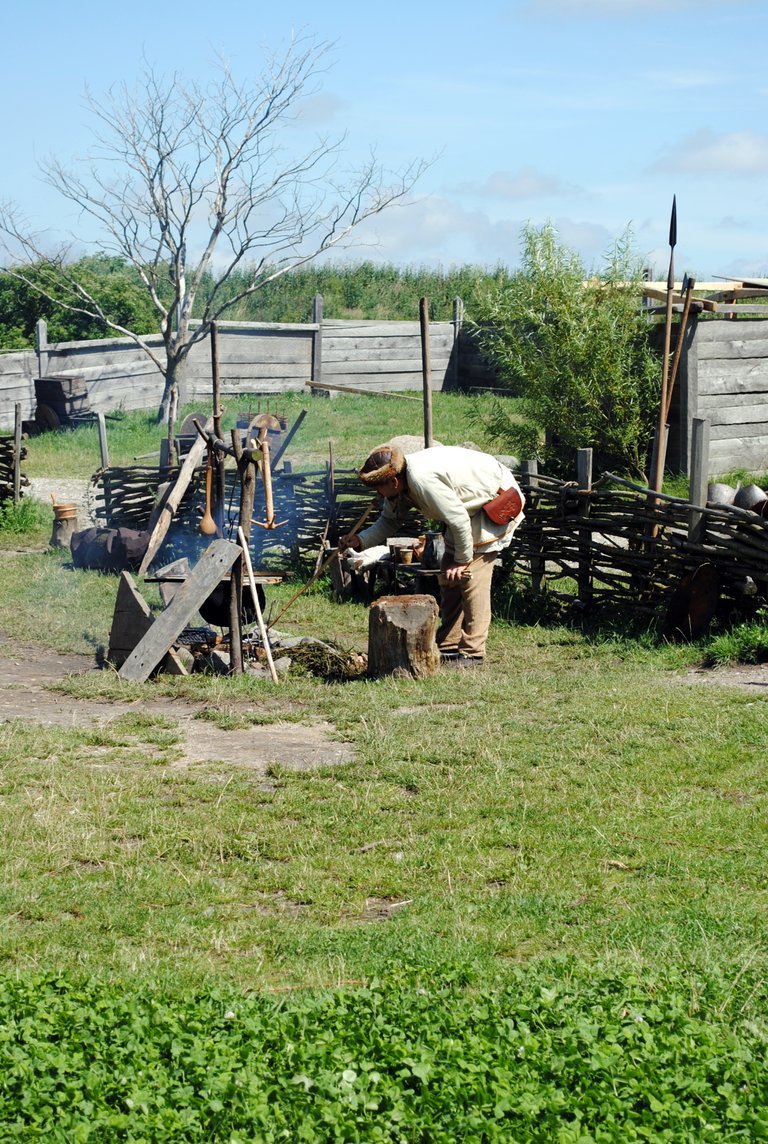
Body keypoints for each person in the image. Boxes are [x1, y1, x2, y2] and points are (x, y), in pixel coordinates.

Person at [340, 444, 525, 667]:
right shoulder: (398, 482)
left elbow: (458, 520)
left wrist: (462, 560)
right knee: (448, 576)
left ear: (394, 482)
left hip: (495, 500)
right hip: (467, 515)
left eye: (379, 488)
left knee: (471, 577)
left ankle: (473, 653)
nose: (377, 494)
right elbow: (389, 521)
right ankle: (448, 644)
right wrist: (361, 540)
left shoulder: (421, 480)